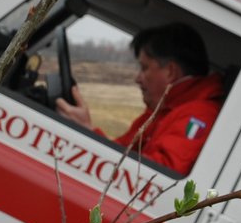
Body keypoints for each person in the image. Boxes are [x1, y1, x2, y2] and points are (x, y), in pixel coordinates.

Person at [55, 23, 224, 176]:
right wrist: (88, 132)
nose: (138, 78)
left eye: (144, 68)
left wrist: (88, 131)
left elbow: (159, 174)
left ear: (170, 72)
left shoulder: (199, 115)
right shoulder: (162, 109)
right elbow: (122, 149)